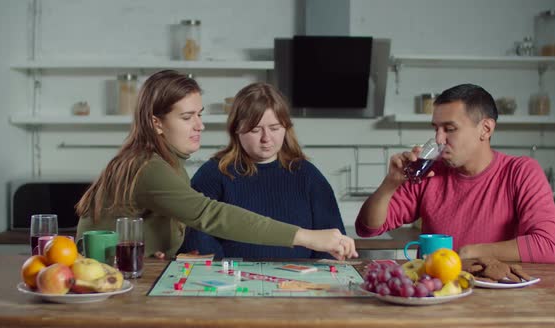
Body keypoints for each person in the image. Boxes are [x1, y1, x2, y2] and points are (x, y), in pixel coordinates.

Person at [75, 70, 357, 261]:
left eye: (199, 114)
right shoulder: (150, 167)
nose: (200, 125)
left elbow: (162, 229)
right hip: (106, 280)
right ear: (156, 123)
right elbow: (209, 215)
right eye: (187, 117)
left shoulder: (163, 164)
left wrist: (162, 250)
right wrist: (306, 237)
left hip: (114, 276)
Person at [355, 83, 555, 263]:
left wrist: (471, 252)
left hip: (498, 299)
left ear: (486, 129)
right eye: (436, 128)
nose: (439, 138)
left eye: (450, 129)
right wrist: (389, 185)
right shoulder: (430, 172)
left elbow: (549, 245)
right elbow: (368, 228)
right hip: (435, 295)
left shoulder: (521, 172)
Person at [179, 82, 346, 259]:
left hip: (299, 282)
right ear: (237, 129)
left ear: (286, 128)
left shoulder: (308, 175)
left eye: (274, 128)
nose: (266, 138)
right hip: (231, 281)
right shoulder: (213, 174)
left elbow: (333, 245)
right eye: (255, 129)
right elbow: (196, 243)